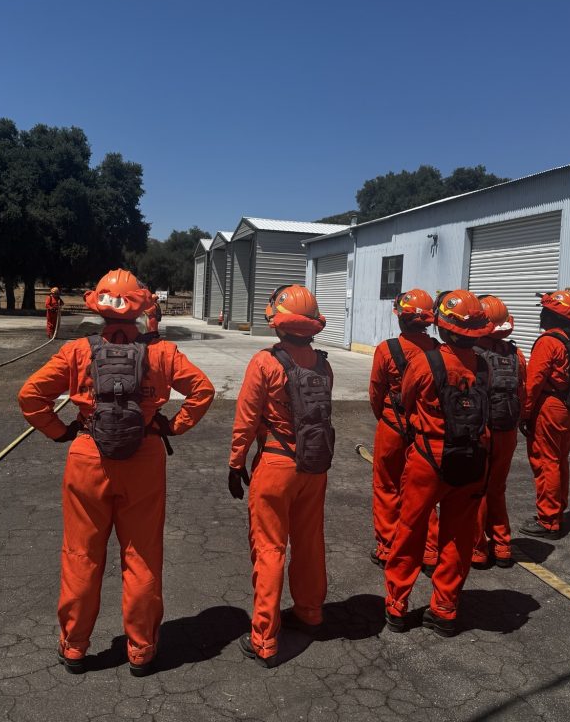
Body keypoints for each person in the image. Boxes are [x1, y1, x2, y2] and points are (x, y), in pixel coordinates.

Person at [18, 269, 215, 676]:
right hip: (143, 457)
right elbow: (203, 391)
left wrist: (61, 432)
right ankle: (141, 649)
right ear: (142, 306)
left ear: (98, 305)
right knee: (141, 557)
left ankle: (74, 646)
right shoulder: (163, 353)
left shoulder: (75, 351)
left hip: (87, 456)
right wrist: (171, 425)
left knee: (82, 555)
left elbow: (31, 395)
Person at [229, 284, 334, 667]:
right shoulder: (323, 364)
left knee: (270, 549)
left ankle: (264, 639)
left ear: (278, 321)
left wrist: (236, 462)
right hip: (314, 466)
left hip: (276, 464)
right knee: (309, 543)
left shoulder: (265, 362)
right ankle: (309, 613)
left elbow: (246, 419)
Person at [383, 290, 492, 638]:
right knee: (458, 537)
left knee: (410, 530)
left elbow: (408, 399)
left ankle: (396, 606)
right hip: (473, 458)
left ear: (443, 327)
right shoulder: (484, 365)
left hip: (428, 458)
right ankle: (445, 608)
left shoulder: (427, 362)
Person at [367, 289, 437, 568]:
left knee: (387, 486)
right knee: (423, 491)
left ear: (401, 318)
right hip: (425, 429)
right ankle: (430, 551)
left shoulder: (387, 349)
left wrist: (384, 418)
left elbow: (376, 391)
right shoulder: (436, 350)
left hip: (392, 426)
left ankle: (387, 547)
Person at [518, 291, 570, 540]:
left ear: (550, 315)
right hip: (568, 408)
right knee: (559, 460)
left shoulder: (548, 341)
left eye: (544, 310)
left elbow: (533, 383)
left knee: (546, 462)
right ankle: (557, 512)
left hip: (549, 408)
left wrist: (524, 414)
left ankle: (548, 520)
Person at [471, 294, 526, 568]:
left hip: (483, 430)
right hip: (508, 429)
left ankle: (478, 549)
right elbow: (522, 390)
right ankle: (502, 546)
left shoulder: (472, 354)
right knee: (497, 488)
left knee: (477, 488)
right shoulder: (516, 354)